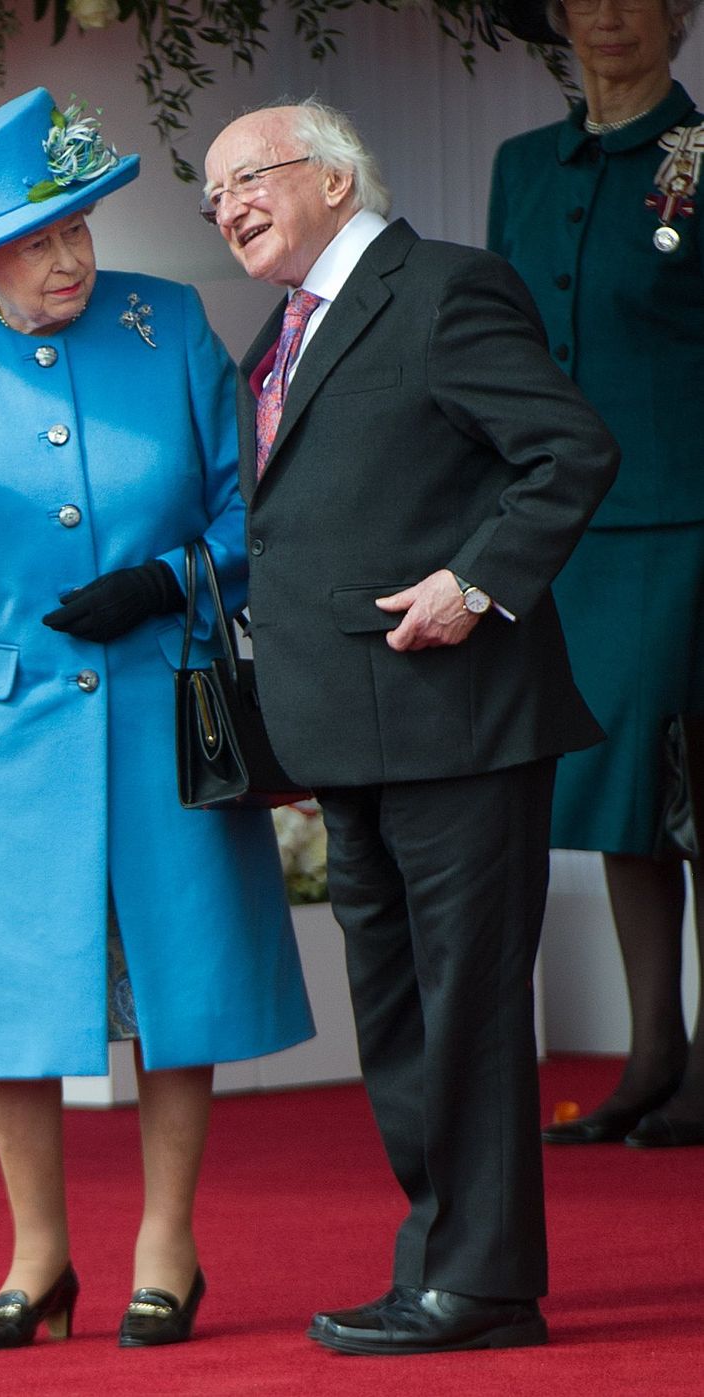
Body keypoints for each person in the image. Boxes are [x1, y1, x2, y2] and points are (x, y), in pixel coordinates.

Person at [0, 87, 314, 1352]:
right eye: (35, 241)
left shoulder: (168, 325)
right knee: (12, 992)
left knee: (180, 972)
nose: (68, 258)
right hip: (8, 731)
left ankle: (166, 1244)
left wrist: (164, 582)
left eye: (77, 227)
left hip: (163, 702)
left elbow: (250, 516)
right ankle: (37, 1255)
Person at [202, 99, 619, 1356]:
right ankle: (442, 1263)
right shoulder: (274, 337)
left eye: (248, 177)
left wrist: (474, 582)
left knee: (466, 1010)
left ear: (333, 177)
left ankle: (481, 1284)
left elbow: (567, 451)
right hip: (346, 732)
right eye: (211, 196)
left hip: (458, 722)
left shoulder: (441, 288)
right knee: (394, 1017)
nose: (227, 207)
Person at [490, 0, 704, 1148]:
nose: (607, 14)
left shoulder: (699, 155)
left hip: (688, 520)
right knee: (623, 791)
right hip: (568, 529)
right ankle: (651, 1050)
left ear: (675, 16)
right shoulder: (522, 166)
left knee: (692, 783)